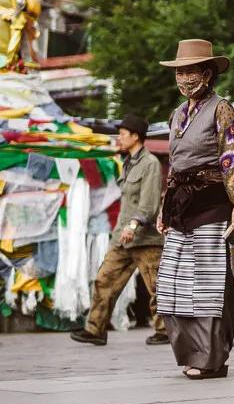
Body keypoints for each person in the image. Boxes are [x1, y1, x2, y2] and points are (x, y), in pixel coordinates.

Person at [155, 39, 234, 380]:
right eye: (179, 72)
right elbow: (174, 165)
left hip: (211, 201)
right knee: (172, 283)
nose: (183, 78)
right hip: (181, 204)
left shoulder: (222, 109)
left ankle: (211, 358)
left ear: (207, 73)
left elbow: (231, 156)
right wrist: (164, 209)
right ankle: (191, 353)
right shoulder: (177, 114)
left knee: (207, 285)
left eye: (189, 71)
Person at [70, 115, 168, 347]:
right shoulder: (128, 162)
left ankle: (166, 331)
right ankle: (95, 329)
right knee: (104, 279)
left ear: (136, 137)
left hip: (146, 239)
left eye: (123, 134)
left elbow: (150, 203)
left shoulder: (150, 164)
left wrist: (134, 225)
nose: (120, 138)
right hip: (122, 238)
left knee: (157, 287)